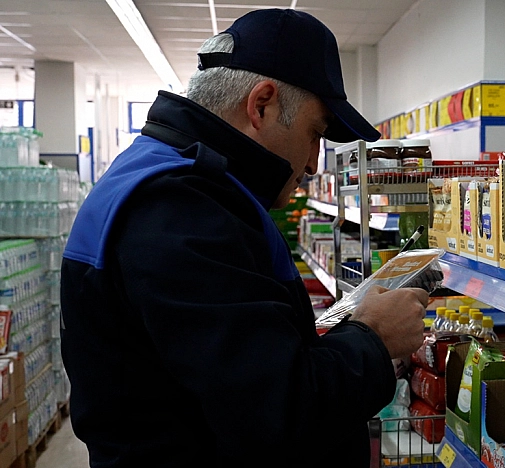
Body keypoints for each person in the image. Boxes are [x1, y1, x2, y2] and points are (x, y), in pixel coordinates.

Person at [60, 8, 428, 467]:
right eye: (315, 133)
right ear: (261, 105)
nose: (314, 163)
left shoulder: (165, 177)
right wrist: (372, 337)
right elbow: (277, 412)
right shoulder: (180, 208)